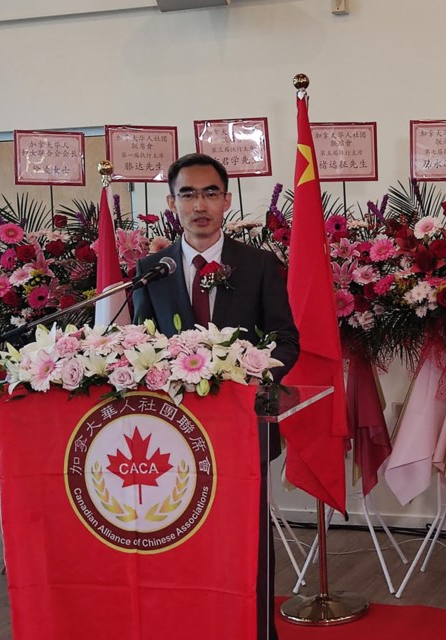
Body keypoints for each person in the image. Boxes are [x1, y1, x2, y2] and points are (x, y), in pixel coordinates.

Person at [132, 153, 299, 640]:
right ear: (171, 203)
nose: (199, 204)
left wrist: (249, 375)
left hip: (244, 424)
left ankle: (253, 627)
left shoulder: (260, 264)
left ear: (226, 200)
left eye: (209, 193)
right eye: (187, 194)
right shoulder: (151, 269)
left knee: (241, 534)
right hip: (172, 432)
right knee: (179, 533)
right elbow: (141, 343)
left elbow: (286, 339)